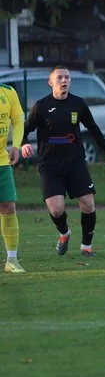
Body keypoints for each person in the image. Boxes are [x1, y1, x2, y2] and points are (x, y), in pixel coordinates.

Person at [21, 66, 105, 259]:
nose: (64, 81)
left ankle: (86, 247)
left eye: (67, 78)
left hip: (75, 163)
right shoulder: (41, 106)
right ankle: (64, 234)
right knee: (56, 209)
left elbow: (94, 128)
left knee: (88, 204)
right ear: (51, 82)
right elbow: (25, 129)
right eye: (59, 78)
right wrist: (22, 144)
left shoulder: (78, 104)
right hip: (50, 166)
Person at [0, 82, 24, 272]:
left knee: (8, 207)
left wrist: (15, 145)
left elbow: (17, 120)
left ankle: (12, 260)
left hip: (1, 160)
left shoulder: (8, 92)